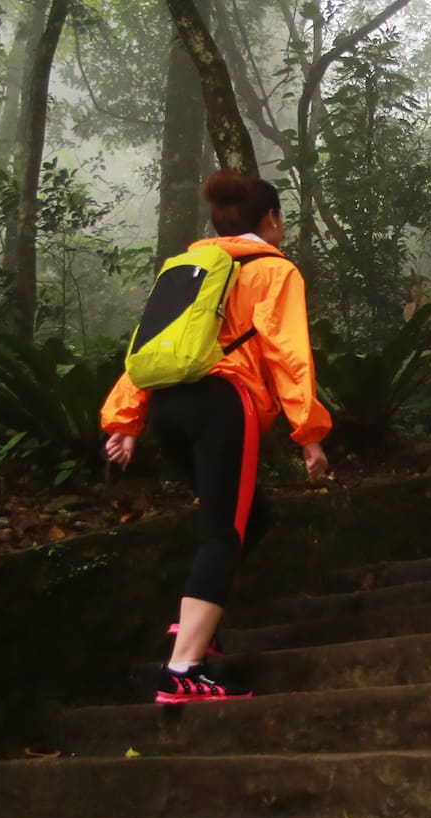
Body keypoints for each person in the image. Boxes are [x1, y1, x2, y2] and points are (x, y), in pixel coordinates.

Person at [103, 170, 331, 703]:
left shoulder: (187, 268)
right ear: (271, 220)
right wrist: (309, 433)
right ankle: (182, 669)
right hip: (224, 404)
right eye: (281, 218)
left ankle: (189, 627)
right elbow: (288, 354)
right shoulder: (274, 271)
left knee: (252, 515)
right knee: (223, 531)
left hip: (168, 406)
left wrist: (126, 421)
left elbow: (150, 345)